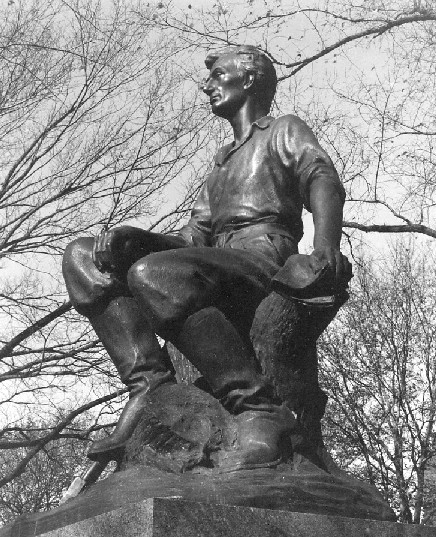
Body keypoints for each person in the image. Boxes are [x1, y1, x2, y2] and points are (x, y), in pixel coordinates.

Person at [62, 45, 351, 471]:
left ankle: (259, 408)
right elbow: (190, 237)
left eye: (218, 75)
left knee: (154, 275)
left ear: (249, 79)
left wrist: (326, 248)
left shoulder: (282, 130)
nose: (206, 85)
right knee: (81, 256)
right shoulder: (220, 164)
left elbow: (321, 176)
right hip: (214, 261)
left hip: (261, 254)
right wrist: (136, 239)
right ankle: (151, 387)